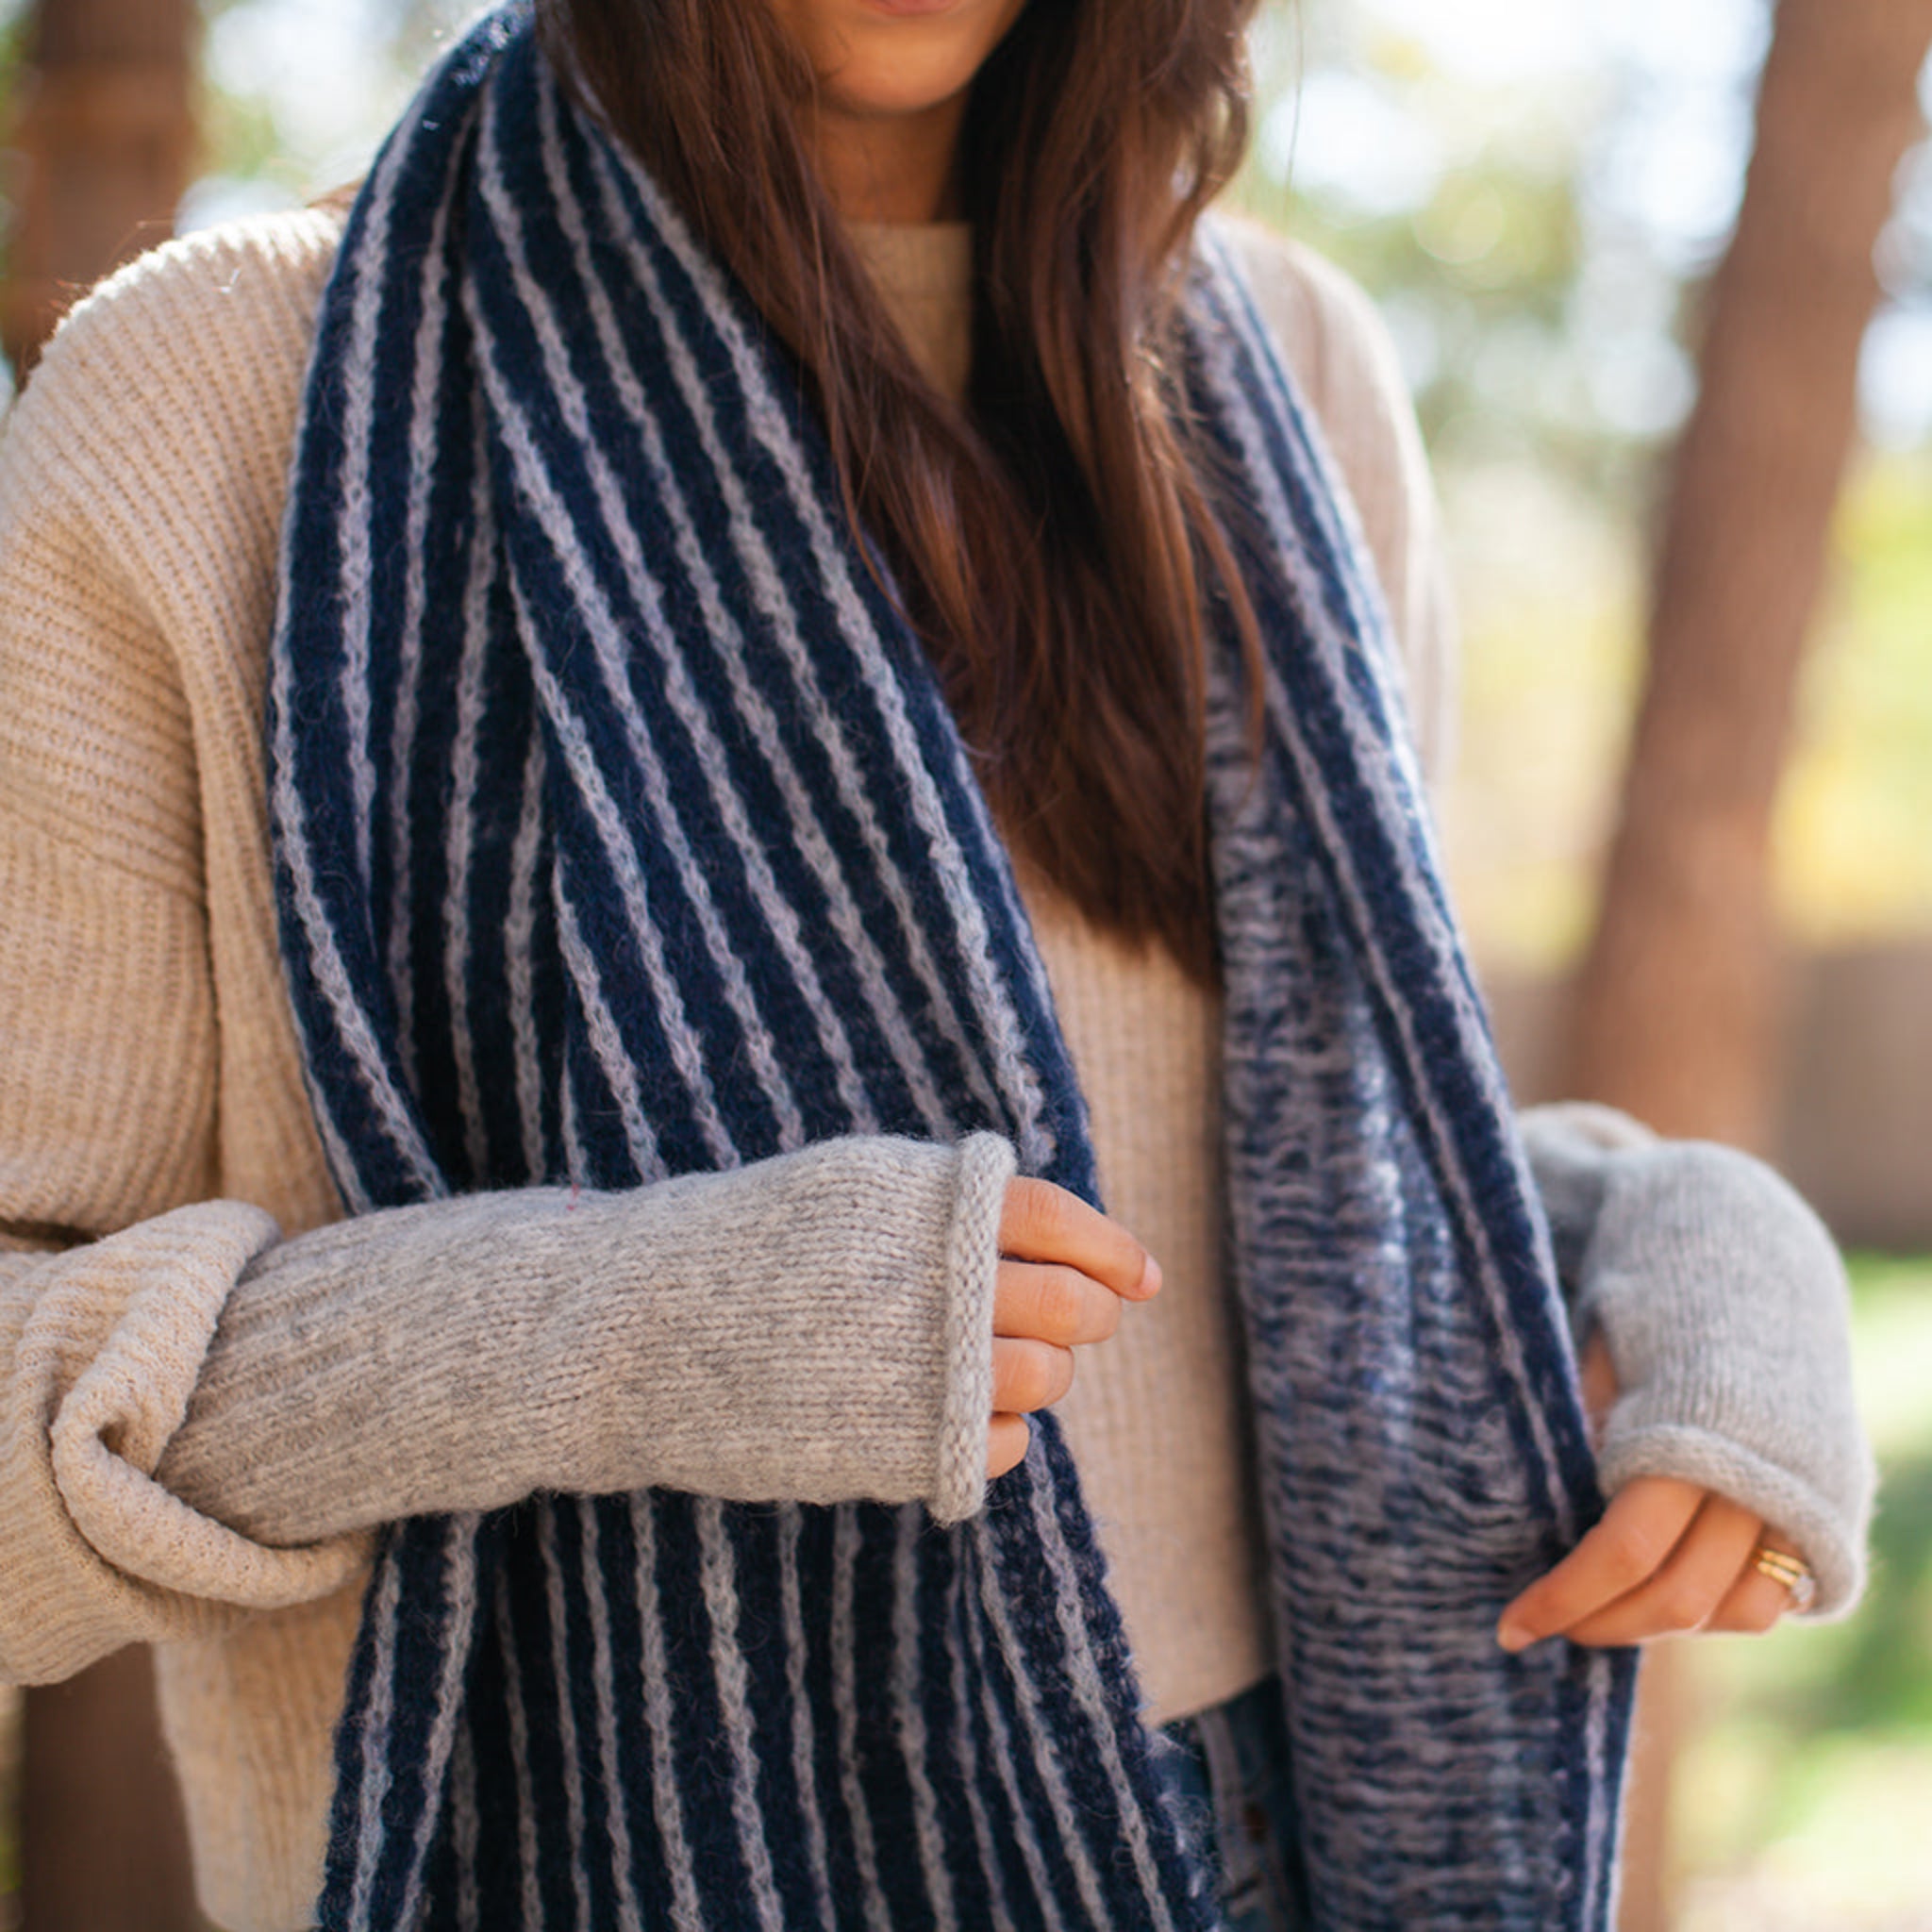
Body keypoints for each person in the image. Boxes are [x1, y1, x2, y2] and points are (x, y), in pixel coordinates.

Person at [0, 1, 1872, 1927]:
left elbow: (1329, 1165)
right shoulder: (224, 398)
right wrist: (637, 1328)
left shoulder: (1282, 365)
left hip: (1310, 1830)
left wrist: (1685, 1233)